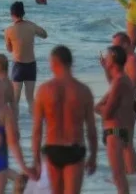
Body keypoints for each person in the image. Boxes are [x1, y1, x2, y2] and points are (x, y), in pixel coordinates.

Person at [32, 46, 97, 194]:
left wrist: (36, 160)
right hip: (74, 149)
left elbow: (37, 130)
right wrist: (93, 155)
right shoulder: (83, 91)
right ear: (70, 63)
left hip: (52, 149)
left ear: (54, 62)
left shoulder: (44, 90)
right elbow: (91, 130)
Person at [95, 46, 135, 194]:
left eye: (108, 57)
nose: (105, 58)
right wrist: (106, 68)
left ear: (114, 59)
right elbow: (112, 84)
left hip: (114, 131)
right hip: (119, 130)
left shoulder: (119, 82)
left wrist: (97, 108)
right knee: (119, 177)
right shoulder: (121, 79)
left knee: (118, 177)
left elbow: (106, 113)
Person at [5, 1, 48, 117]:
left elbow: (9, 49)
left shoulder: (9, 30)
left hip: (18, 66)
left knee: (15, 100)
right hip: (31, 65)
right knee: (30, 98)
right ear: (23, 13)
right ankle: (36, 124)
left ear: (12, 14)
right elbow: (45, 34)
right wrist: (31, 25)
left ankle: (13, 125)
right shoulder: (31, 26)